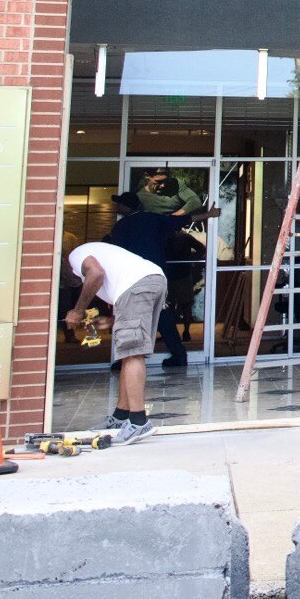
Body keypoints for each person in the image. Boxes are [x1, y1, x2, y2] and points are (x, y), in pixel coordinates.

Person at [64, 239, 168, 444]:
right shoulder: (98, 255)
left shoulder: (75, 256)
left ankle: (138, 422)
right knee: (127, 354)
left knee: (132, 353)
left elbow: (96, 274)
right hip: (154, 280)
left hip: (137, 285)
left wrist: (78, 310)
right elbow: (130, 305)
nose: (68, 283)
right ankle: (121, 416)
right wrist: (112, 320)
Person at [105, 189, 216, 368]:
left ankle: (126, 360)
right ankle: (179, 355)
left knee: (131, 318)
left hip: (132, 278)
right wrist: (209, 214)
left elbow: (116, 254)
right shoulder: (153, 219)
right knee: (162, 316)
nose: (117, 206)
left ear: (125, 206)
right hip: (156, 276)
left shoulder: (121, 227)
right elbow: (183, 220)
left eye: (119, 203)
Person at [135, 165, 206, 217]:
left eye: (165, 181)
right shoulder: (139, 197)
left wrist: (173, 217)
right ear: (147, 176)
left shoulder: (176, 184)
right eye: (158, 181)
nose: (163, 185)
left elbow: (195, 201)